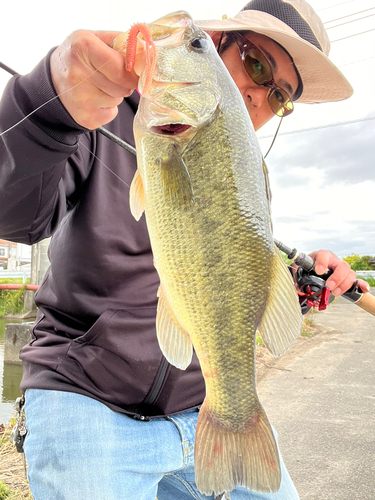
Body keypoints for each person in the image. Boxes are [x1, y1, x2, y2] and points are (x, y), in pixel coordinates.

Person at [0, 0, 369, 499]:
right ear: (216, 48)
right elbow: (13, 215)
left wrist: (302, 285)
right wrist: (46, 109)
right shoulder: (96, 118)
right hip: (86, 397)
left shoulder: (249, 175)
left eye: (281, 96)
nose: (261, 95)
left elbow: (233, 273)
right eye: (257, 63)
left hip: (205, 406)